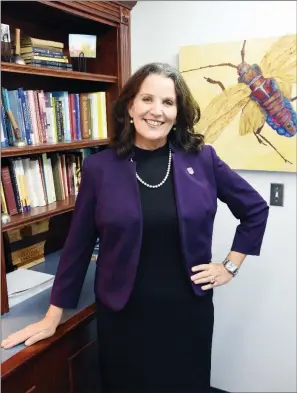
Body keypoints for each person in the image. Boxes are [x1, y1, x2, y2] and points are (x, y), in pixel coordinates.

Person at [1, 62, 269, 393]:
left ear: (178, 112)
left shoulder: (201, 159)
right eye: (147, 100)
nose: (157, 111)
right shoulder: (100, 168)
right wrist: (52, 316)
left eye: (168, 102)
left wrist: (230, 266)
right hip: (123, 316)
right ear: (130, 105)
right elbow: (78, 246)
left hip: (187, 314)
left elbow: (255, 209)